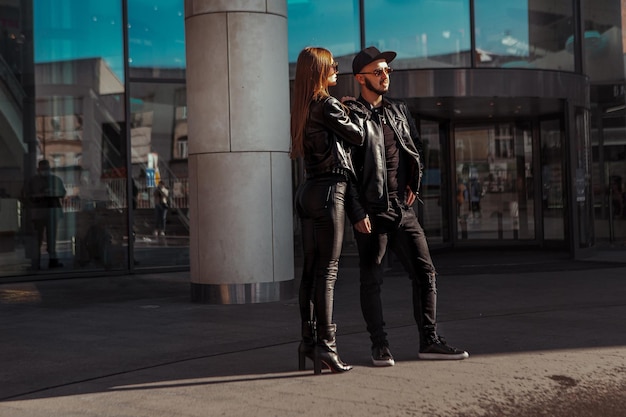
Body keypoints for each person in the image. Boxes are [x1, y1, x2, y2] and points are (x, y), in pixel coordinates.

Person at [344, 46, 469, 366]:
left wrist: (416, 181)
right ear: (360, 78)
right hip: (372, 212)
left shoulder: (399, 111)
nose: (385, 76)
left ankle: (429, 340)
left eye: (387, 70)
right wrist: (356, 212)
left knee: (426, 272)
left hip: (403, 209)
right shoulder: (351, 115)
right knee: (372, 279)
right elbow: (347, 170)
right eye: (378, 71)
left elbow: (416, 149)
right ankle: (380, 345)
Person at [290, 46, 367, 374]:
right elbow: (359, 136)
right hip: (329, 191)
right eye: (332, 65)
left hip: (308, 191)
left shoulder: (304, 107)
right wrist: (356, 111)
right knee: (328, 272)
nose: (337, 69)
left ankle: (308, 341)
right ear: (320, 70)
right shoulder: (328, 104)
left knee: (310, 271)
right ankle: (328, 347)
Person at [25, 159, 66, 269]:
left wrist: (53, 192)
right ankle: (36, 261)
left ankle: (52, 260)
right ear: (38, 169)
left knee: (52, 238)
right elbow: (27, 195)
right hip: (39, 212)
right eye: (43, 169)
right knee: (37, 238)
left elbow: (62, 193)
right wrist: (39, 195)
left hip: (52, 211)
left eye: (46, 169)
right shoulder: (33, 181)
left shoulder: (55, 180)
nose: (44, 171)